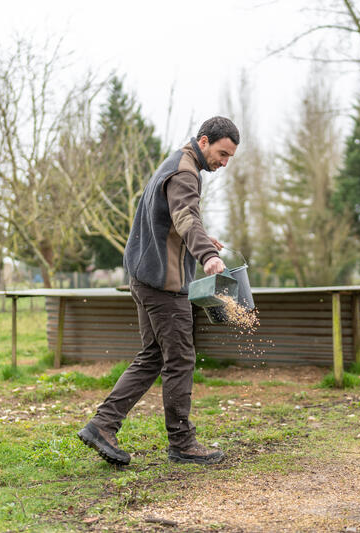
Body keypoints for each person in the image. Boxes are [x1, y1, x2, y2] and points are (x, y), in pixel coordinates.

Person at [78, 116, 239, 466]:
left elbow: (169, 219)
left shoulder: (176, 161)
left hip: (143, 276)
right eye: (222, 154)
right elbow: (185, 217)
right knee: (180, 359)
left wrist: (200, 240)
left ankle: (102, 425)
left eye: (229, 158)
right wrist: (208, 255)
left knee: (152, 356)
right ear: (205, 140)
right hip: (164, 285)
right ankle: (182, 442)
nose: (224, 163)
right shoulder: (186, 172)